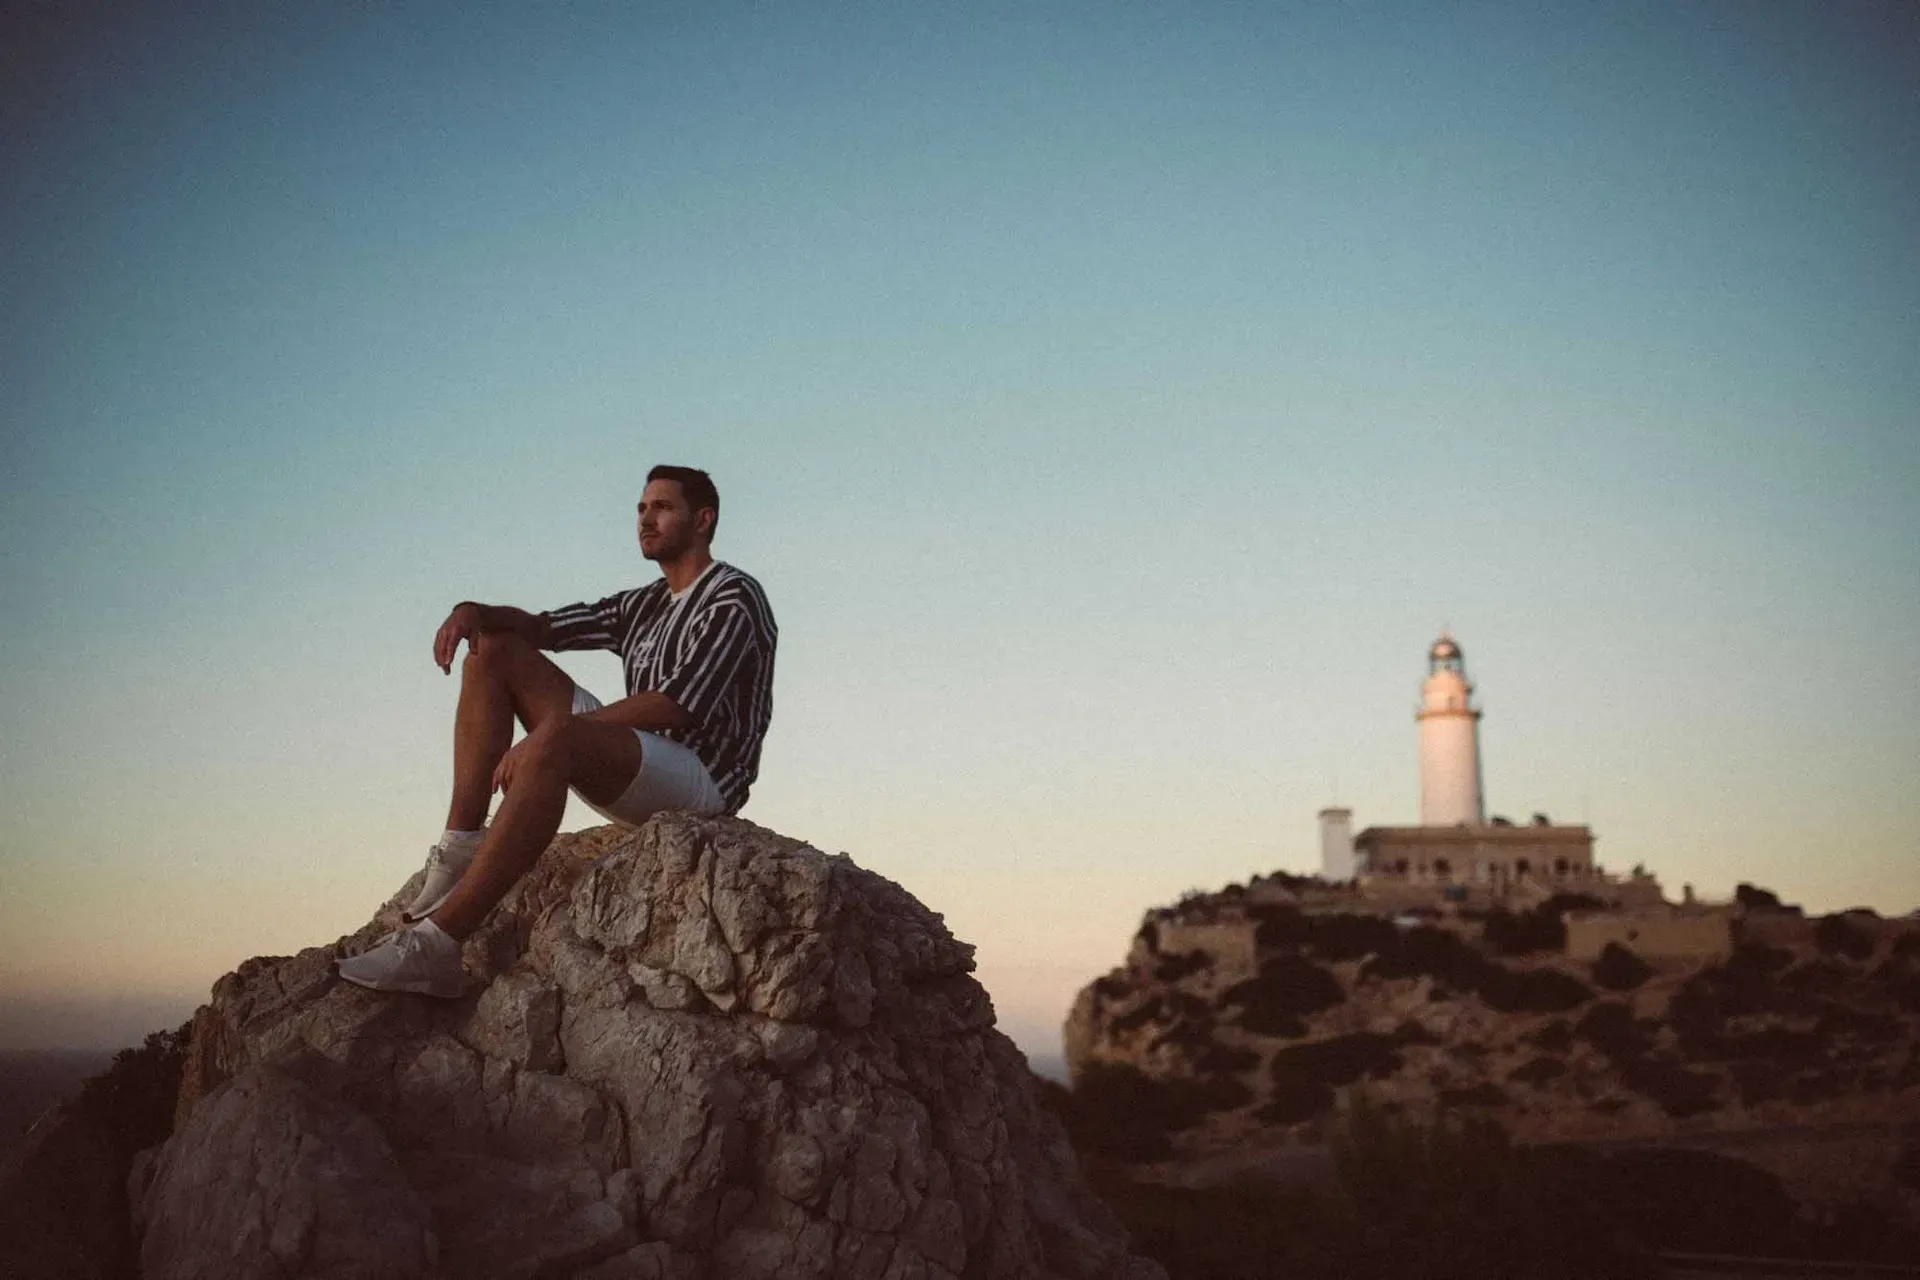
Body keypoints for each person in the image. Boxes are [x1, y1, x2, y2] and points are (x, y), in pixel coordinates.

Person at [337, 465, 777, 997]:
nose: (645, 519)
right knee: (493, 649)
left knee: (558, 736)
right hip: (637, 759)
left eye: (662, 507)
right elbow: (543, 628)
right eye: (641, 508)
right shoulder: (645, 603)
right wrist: (471, 610)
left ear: (703, 520)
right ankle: (460, 847)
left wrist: (551, 735)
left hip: (701, 780)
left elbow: (675, 705)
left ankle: (438, 947)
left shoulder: (733, 596)